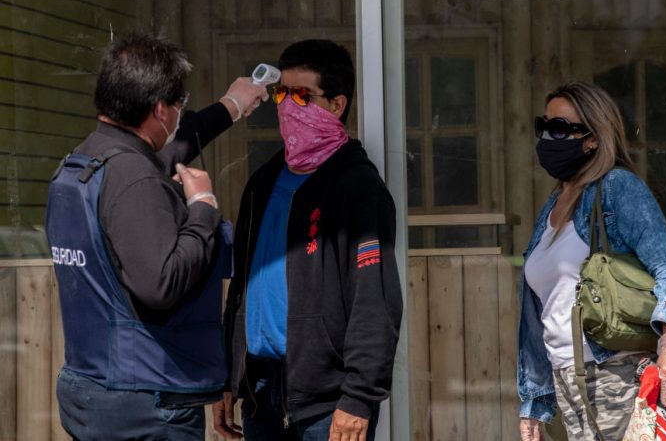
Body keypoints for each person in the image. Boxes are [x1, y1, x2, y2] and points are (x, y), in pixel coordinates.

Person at [45, 32, 268, 440]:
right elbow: (161, 284)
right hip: (145, 404)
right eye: (180, 103)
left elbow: (164, 151)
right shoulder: (135, 182)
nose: (182, 112)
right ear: (160, 109)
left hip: (94, 383)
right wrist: (203, 208)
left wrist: (231, 107)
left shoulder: (86, 164)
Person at [212, 39, 403, 441]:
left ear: (336, 105)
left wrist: (359, 397)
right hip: (261, 391)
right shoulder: (263, 182)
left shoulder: (357, 187)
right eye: (282, 93)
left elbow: (375, 302)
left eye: (302, 95)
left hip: (327, 404)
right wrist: (229, 375)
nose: (286, 105)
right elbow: (242, 288)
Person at [516, 81, 666, 440]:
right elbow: (542, 311)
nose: (548, 139)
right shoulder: (553, 206)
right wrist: (534, 404)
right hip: (569, 378)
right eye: (544, 127)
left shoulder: (617, 187)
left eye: (560, 128)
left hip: (615, 376)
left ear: (593, 138)